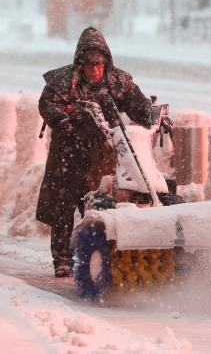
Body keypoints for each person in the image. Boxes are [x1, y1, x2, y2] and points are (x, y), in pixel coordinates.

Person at [36, 26, 154, 278]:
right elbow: (47, 104)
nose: (95, 69)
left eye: (99, 63)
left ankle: (97, 256)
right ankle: (62, 259)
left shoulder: (117, 82)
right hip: (68, 154)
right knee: (63, 207)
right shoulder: (63, 82)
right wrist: (64, 121)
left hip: (103, 155)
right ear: (80, 63)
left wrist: (152, 115)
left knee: (100, 206)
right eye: (90, 64)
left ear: (106, 62)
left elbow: (137, 105)